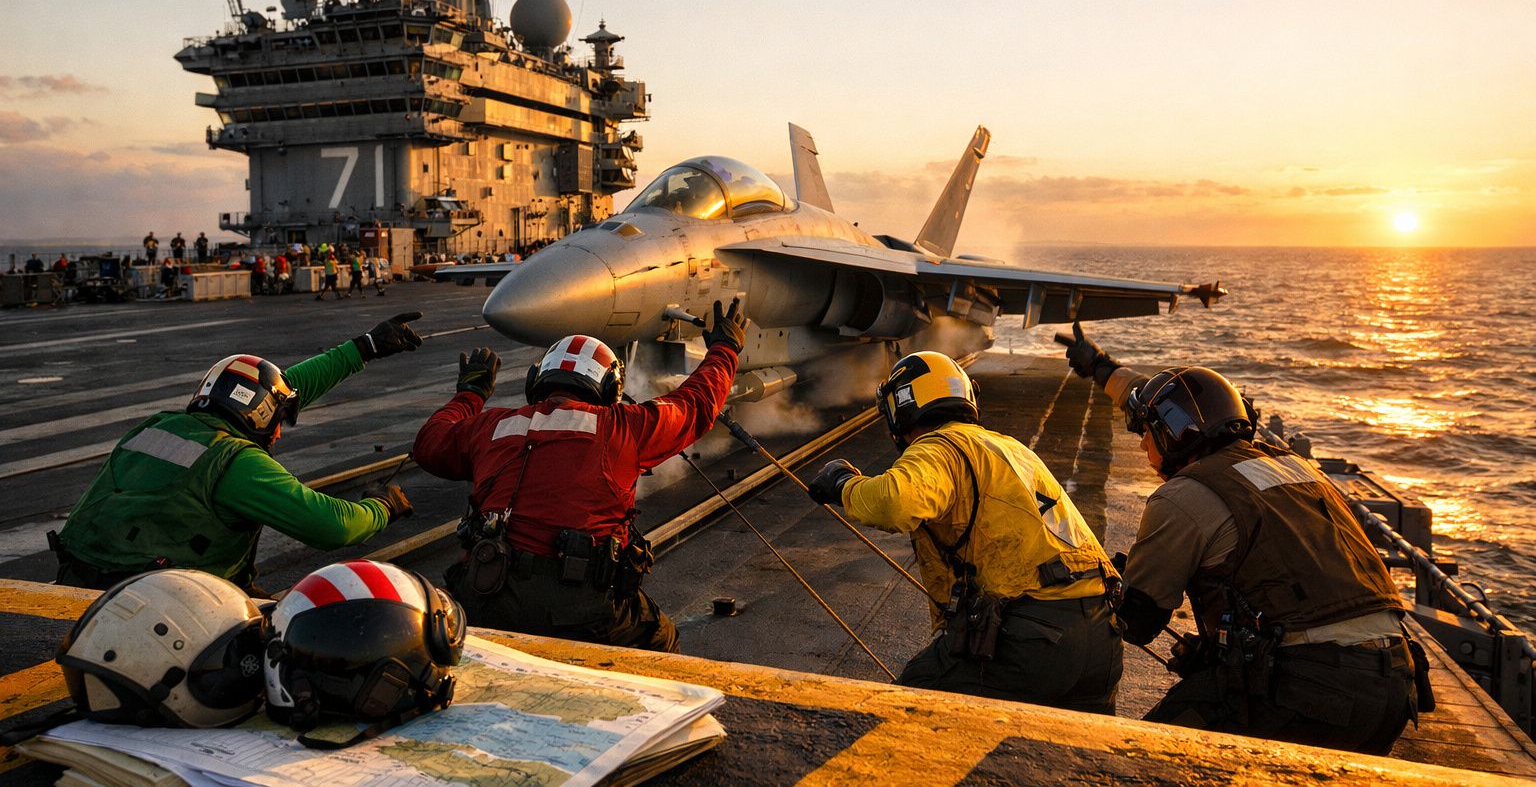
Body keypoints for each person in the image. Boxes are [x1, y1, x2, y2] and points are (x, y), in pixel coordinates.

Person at [1062, 323, 1420, 754]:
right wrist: (1102, 368)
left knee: (1139, 757)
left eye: (1145, 434)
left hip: (1314, 692)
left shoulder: (1184, 495)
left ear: (1171, 435)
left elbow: (1137, 621)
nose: (1141, 448)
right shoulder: (1297, 469)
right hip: (1398, 686)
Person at [411, 299, 748, 652]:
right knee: (662, 640)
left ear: (536, 380)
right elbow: (694, 405)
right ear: (608, 388)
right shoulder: (623, 427)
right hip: (582, 611)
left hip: (484, 594)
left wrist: (470, 394)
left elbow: (429, 444)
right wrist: (724, 350)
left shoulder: (491, 426)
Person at [808, 351, 1124, 713]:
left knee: (906, 705)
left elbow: (893, 502)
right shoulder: (1011, 448)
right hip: (1103, 637)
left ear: (902, 407)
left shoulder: (940, 446)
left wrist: (844, 484)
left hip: (1036, 640)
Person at [50, 313, 424, 594]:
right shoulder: (235, 462)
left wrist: (364, 348)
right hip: (150, 600)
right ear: (258, 415)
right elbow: (332, 526)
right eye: (278, 422)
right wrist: (381, 507)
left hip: (75, 582)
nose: (278, 432)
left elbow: (283, 391)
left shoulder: (157, 427)